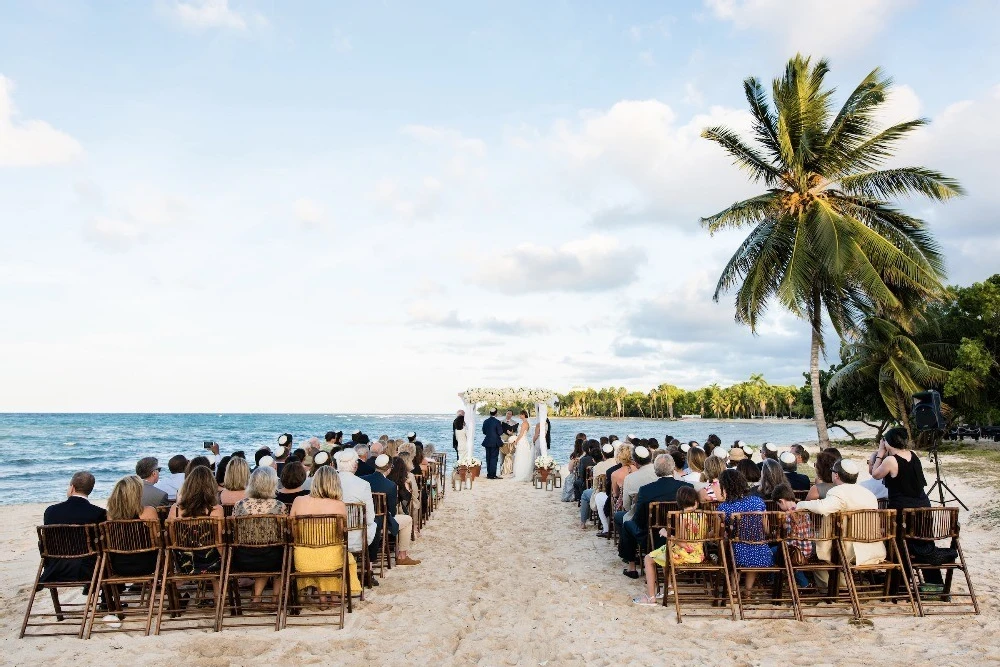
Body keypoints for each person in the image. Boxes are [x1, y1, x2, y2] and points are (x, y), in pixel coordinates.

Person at [872, 427, 951, 584]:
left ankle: (900, 584)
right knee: (924, 543)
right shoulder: (913, 455)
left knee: (901, 546)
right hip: (923, 505)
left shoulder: (890, 460)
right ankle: (934, 584)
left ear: (888, 442)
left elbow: (875, 474)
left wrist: (880, 452)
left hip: (903, 509)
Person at [796, 459, 885, 586]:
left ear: (836, 475)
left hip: (849, 551)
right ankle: (843, 585)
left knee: (816, 555)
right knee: (830, 547)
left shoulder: (838, 491)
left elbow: (822, 507)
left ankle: (831, 589)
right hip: (873, 548)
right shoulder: (868, 493)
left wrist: (800, 504)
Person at [289, 467, 362, 604]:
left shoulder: (298, 501)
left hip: (303, 559)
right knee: (341, 553)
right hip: (331, 559)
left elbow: (293, 532)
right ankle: (333, 595)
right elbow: (341, 535)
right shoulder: (338, 505)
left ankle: (322, 596)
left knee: (324, 553)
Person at [621, 454, 693, 579]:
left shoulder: (646, 490)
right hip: (681, 536)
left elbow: (639, 519)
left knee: (627, 524)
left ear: (655, 470)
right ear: (673, 468)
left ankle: (631, 567)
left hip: (653, 536)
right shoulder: (687, 488)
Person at [633, 486, 702, 605]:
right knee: (665, 550)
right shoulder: (703, 516)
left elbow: (683, 543)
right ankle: (669, 587)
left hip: (684, 555)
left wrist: (667, 534)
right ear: (696, 503)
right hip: (698, 554)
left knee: (648, 559)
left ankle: (651, 597)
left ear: (679, 503)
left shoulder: (682, 518)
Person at [231, 467, 287, 604]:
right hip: (272, 559)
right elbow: (285, 533)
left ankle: (257, 597)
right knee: (283, 551)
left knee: (262, 548)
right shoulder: (279, 506)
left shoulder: (239, 505)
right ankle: (275, 598)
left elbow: (233, 531)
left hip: (243, 558)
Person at [167, 467, 224, 596]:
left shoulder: (175, 510)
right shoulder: (215, 510)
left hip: (185, 563)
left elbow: (172, 539)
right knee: (220, 560)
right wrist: (227, 559)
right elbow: (219, 542)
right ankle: (219, 600)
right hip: (211, 563)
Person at [41, 471, 107, 583]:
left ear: (72, 488)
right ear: (90, 490)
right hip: (88, 571)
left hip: (54, 570)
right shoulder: (98, 513)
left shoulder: (50, 511)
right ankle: (107, 598)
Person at [717, 469, 773, 595]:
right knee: (749, 558)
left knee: (732, 553)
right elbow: (767, 529)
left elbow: (719, 532)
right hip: (761, 552)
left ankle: (734, 591)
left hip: (737, 553)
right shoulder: (758, 502)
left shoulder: (724, 507)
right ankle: (748, 592)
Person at [361, 454, 419, 565]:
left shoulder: (363, 479)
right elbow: (392, 512)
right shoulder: (390, 485)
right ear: (389, 468)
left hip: (364, 519)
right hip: (381, 521)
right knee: (407, 520)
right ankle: (402, 556)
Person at [333, 450, 378, 584]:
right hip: (355, 539)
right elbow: (370, 518)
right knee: (375, 525)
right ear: (355, 466)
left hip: (332, 537)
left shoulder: (329, 482)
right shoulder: (363, 485)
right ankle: (367, 569)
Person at [771, 484, 812, 589]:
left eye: (778, 504)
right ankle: (803, 583)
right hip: (807, 549)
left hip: (794, 551)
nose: (780, 508)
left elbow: (784, 536)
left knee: (772, 552)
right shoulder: (804, 511)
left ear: (782, 501)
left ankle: (774, 579)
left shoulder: (788, 515)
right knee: (783, 554)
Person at [588, 443, 617, 534]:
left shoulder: (598, 466)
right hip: (615, 493)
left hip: (605, 493)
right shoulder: (617, 463)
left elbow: (595, 486)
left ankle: (605, 528)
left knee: (598, 496)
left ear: (603, 455)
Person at [511, 410, 534, 482]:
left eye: (521, 414)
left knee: (521, 456)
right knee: (521, 456)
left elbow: (521, 434)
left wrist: (516, 441)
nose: (519, 416)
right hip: (523, 440)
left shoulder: (525, 423)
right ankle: (519, 472)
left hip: (522, 441)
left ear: (524, 415)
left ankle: (521, 473)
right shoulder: (524, 423)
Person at [481, 408, 504, 479]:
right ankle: (492, 475)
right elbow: (500, 433)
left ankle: (489, 474)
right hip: (495, 442)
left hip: (487, 441)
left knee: (488, 458)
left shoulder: (485, 421)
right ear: (496, 413)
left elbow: (484, 432)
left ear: (490, 413)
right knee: (494, 458)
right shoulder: (497, 422)